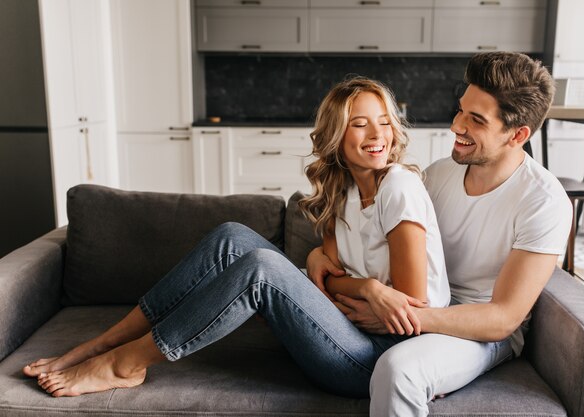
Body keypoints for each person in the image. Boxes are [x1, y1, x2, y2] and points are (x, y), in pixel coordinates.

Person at [23, 77, 450, 398]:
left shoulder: (399, 186)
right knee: (232, 236)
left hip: (377, 359)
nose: (378, 135)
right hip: (346, 329)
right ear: (337, 138)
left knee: (262, 270)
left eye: (384, 122)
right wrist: (360, 284)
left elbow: (409, 310)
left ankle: (125, 363)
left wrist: (360, 287)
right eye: (360, 124)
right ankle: (108, 340)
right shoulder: (345, 191)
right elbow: (329, 277)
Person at [307, 52, 573, 416]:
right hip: (425, 309)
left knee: (400, 369)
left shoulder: (544, 200)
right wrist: (318, 255)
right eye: (461, 110)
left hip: (479, 331)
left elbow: (504, 318)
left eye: (476, 120)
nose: (456, 126)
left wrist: (396, 315)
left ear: (517, 134)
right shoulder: (436, 175)